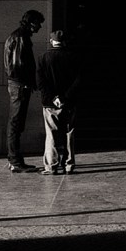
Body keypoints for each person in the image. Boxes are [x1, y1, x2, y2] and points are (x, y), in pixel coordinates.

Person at [37, 28, 85, 175]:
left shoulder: (43, 57)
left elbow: (41, 82)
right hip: (69, 101)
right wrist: (64, 97)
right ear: (64, 42)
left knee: (51, 134)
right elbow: (78, 80)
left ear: (51, 41)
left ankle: (51, 166)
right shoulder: (73, 57)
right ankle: (69, 165)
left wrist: (54, 98)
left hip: (50, 103)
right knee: (69, 133)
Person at [4, 9, 44, 173]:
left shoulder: (19, 36)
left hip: (18, 84)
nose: (40, 27)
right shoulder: (21, 37)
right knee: (16, 123)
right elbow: (18, 64)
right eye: (38, 23)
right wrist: (27, 82)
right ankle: (15, 161)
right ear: (31, 22)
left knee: (16, 122)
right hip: (20, 85)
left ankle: (14, 159)